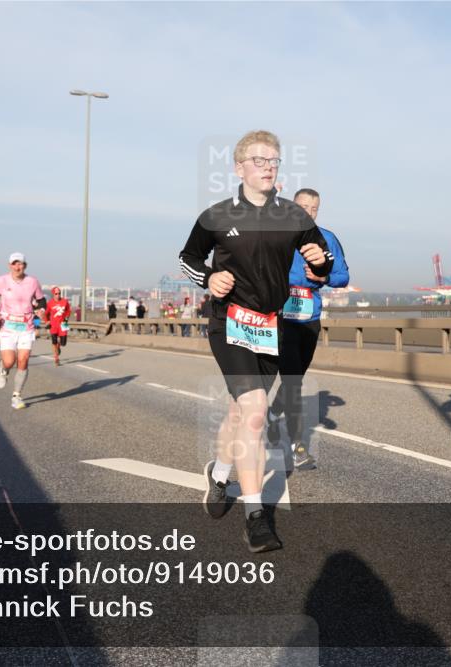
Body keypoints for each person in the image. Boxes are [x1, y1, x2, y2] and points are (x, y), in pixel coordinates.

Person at [179, 129, 334, 553]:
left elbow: (324, 262)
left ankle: (219, 472)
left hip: (268, 326)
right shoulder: (216, 216)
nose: (268, 167)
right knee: (255, 412)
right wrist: (209, 277)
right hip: (228, 323)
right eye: (259, 160)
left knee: (238, 412)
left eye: (274, 161)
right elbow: (187, 258)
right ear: (239, 168)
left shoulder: (294, 217)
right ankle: (255, 517)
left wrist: (321, 262)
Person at [266, 188, 349, 469]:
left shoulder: (327, 238)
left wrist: (324, 275)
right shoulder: (279, 234)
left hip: (310, 317)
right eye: (303, 207)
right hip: (281, 316)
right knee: (293, 382)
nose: (308, 212)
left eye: (314, 208)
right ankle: (298, 445)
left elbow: (343, 276)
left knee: (295, 375)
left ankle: (273, 412)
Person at [0, 252, 47, 410]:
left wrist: (41, 310)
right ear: (9, 265)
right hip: (8, 326)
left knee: (23, 359)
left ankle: (16, 395)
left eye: (21, 264)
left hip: (27, 326)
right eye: (14, 263)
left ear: (25, 265)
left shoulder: (32, 281)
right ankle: (4, 368)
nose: (18, 267)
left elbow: (41, 300)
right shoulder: (1, 281)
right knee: (10, 361)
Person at [47, 287, 72, 366]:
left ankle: (59, 346)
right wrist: (47, 321)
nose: (58, 295)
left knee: (63, 343)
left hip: (63, 324)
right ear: (53, 294)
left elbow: (68, 310)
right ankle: (56, 358)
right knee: (54, 342)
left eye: (59, 293)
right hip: (53, 325)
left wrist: (67, 317)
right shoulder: (50, 303)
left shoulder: (65, 301)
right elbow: (46, 313)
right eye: (56, 294)